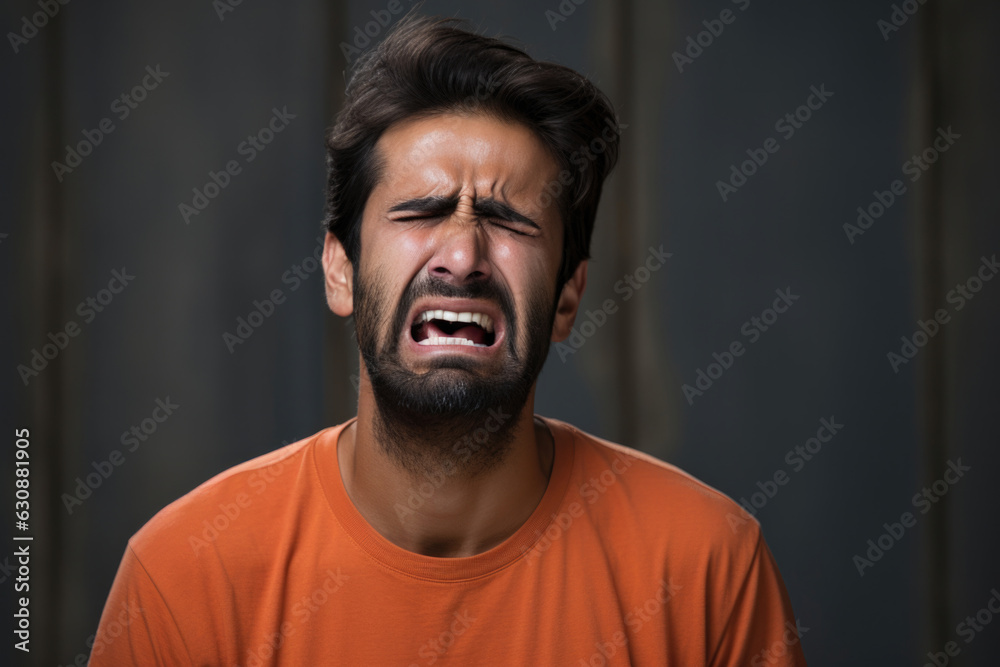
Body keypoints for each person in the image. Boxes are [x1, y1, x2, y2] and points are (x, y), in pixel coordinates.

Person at [91, 14, 807, 666]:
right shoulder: (185, 577)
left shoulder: (708, 568)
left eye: (510, 220)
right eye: (421, 211)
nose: (462, 255)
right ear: (341, 272)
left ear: (566, 296)